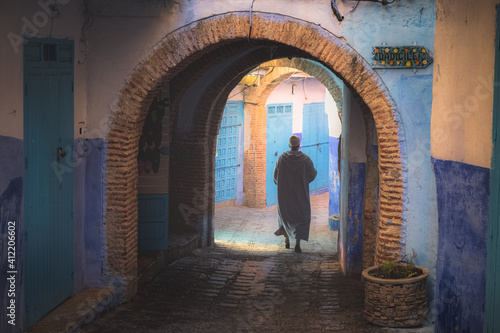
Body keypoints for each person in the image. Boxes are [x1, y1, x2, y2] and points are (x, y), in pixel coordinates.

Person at [273, 135, 317, 253]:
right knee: (300, 217)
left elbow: (275, 177)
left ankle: (287, 240)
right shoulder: (306, 159)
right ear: (299, 146)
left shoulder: (281, 159)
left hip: (285, 196)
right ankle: (298, 243)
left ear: (289, 146)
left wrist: (283, 184)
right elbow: (312, 175)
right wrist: (303, 181)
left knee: (285, 217)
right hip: (301, 195)